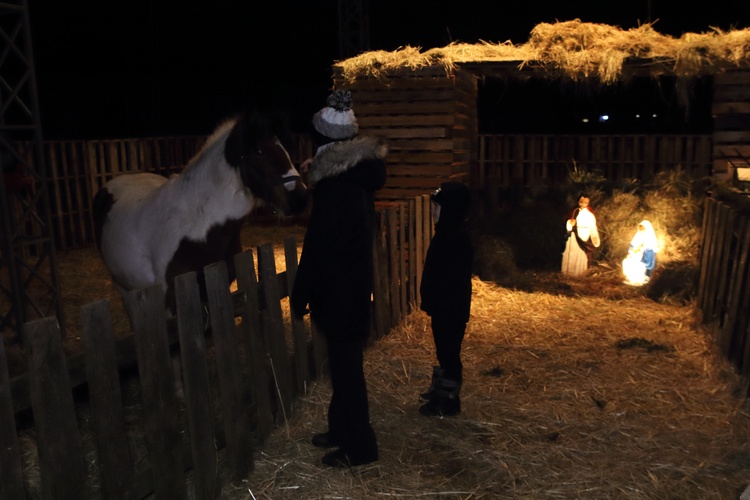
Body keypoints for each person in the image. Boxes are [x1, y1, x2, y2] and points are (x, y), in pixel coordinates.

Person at [290, 89, 386, 467]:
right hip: (351, 284)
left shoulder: (337, 185)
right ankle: (340, 428)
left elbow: (319, 244)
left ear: (325, 141)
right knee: (343, 363)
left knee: (347, 371)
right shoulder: (354, 172)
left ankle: (360, 448)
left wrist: (301, 292)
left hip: (340, 289)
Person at [418, 182, 473, 417]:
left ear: (451, 210)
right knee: (442, 349)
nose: (433, 212)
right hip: (442, 308)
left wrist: (441, 302)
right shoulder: (444, 236)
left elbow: (452, 280)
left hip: (450, 309)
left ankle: (449, 399)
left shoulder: (457, 240)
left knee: (450, 352)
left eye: (438, 208)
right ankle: (440, 388)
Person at [561, 193, 601, 276]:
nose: (583, 204)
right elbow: (568, 223)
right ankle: (569, 273)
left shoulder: (590, 215)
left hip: (584, 236)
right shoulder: (574, 212)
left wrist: (595, 238)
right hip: (573, 237)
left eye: (585, 202)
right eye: (581, 202)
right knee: (572, 254)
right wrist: (570, 223)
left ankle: (580, 273)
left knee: (582, 255)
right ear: (578, 202)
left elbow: (593, 227)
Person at [622, 219, 658, 285]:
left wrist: (642, 250)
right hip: (638, 255)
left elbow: (650, 247)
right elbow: (633, 244)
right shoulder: (638, 235)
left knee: (645, 267)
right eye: (641, 228)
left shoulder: (650, 237)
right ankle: (633, 279)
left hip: (647, 254)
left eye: (643, 228)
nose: (642, 230)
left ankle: (646, 279)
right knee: (630, 263)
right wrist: (632, 250)